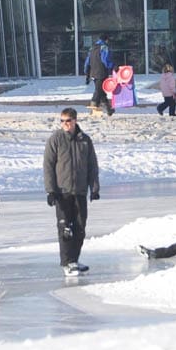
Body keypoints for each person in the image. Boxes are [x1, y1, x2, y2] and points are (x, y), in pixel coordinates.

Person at [43, 107, 101, 276]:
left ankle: (74, 259)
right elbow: (48, 166)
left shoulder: (85, 140)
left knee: (80, 227)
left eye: (68, 121)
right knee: (65, 228)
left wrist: (94, 188)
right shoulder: (55, 139)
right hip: (62, 191)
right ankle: (67, 263)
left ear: (75, 121)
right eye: (62, 121)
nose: (65, 124)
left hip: (80, 191)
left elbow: (92, 165)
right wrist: (51, 190)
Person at [84, 37, 114, 116]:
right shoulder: (104, 48)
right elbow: (105, 60)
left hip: (93, 73)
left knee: (101, 91)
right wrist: (112, 66)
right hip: (101, 73)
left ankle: (108, 109)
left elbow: (87, 62)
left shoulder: (92, 48)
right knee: (98, 91)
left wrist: (87, 74)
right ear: (106, 40)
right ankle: (93, 107)